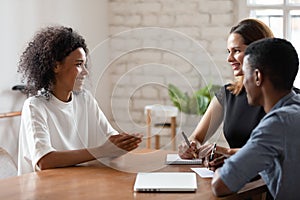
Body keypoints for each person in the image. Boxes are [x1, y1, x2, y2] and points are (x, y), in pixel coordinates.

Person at [17, 26, 142, 175]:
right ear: (56, 66)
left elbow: (110, 142)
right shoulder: (35, 106)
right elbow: (44, 161)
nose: (85, 72)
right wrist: (101, 150)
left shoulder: (85, 99)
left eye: (84, 64)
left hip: (75, 184)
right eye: (78, 64)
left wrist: (123, 143)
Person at [211, 38, 300, 200]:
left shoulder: (277, 123)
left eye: (245, 74)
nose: (243, 82)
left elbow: (220, 185)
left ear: (258, 76)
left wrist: (222, 170)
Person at [178, 18, 274, 160]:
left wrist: (227, 153)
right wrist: (190, 146)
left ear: (258, 51)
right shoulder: (227, 94)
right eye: (228, 51)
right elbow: (197, 138)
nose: (229, 59)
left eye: (236, 51)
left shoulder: (287, 98)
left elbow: (274, 151)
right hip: (233, 177)